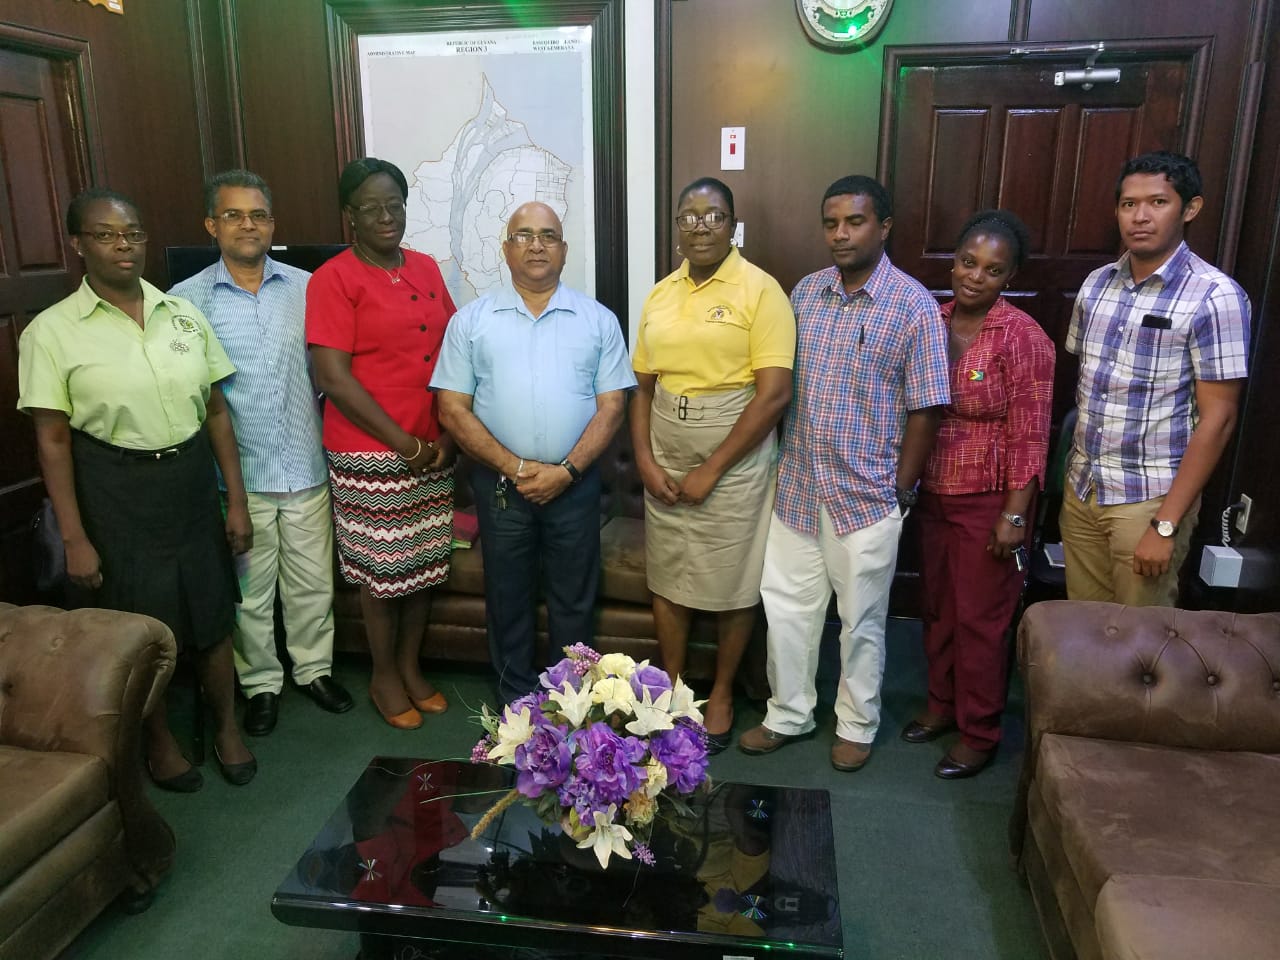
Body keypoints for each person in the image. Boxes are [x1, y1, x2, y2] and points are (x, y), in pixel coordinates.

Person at [18, 188, 257, 789]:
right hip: (114, 489)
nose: (123, 244)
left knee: (211, 614)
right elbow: (51, 440)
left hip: (189, 483)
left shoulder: (181, 313)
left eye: (133, 233)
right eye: (105, 234)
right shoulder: (52, 332)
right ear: (78, 244)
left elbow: (217, 412)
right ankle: (160, 740)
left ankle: (227, 727)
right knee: (135, 624)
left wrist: (237, 500)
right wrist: (74, 536)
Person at [737, 175, 950, 772]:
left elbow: (927, 407)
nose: (841, 234)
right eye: (831, 223)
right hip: (799, 488)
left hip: (867, 496)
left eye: (854, 222)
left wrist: (899, 490)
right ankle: (788, 713)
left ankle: (856, 723)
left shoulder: (912, 307)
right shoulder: (805, 294)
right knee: (786, 609)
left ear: (884, 226)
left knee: (860, 622)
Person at [170, 169, 353, 737]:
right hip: (239, 480)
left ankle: (314, 671)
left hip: (305, 465)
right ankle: (262, 686)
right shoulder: (186, 300)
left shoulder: (309, 287)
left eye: (258, 215)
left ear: (272, 225)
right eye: (233, 214)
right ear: (211, 225)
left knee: (312, 585)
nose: (247, 225)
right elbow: (197, 394)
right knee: (249, 595)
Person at [432, 202, 636, 705]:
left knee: (573, 600)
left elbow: (613, 407)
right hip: (502, 487)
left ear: (564, 251)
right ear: (506, 250)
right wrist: (518, 468)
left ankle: (571, 706)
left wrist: (565, 471)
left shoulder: (597, 320)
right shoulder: (470, 321)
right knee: (508, 598)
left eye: (548, 235)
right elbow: (452, 410)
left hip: (576, 485)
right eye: (523, 235)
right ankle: (516, 708)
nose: (537, 244)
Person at [630, 177, 794, 753]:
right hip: (667, 451)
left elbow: (773, 394)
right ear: (676, 227)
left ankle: (721, 692)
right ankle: (673, 691)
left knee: (733, 580)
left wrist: (712, 469)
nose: (700, 226)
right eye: (689, 216)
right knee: (668, 576)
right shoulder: (660, 294)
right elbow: (642, 390)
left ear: (733, 225)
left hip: (736, 458)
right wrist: (644, 460)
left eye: (714, 216)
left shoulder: (761, 290)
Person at [1060, 151, 1250, 606]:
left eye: (1157, 202)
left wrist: (1166, 525)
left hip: (1148, 501)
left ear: (1190, 208)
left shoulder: (1214, 295)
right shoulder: (1096, 284)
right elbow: (1087, 384)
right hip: (1084, 490)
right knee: (1084, 636)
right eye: (1128, 204)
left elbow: (1219, 419)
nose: (1140, 216)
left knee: (1142, 651)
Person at [306, 158, 456, 730]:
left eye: (395, 203)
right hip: (371, 450)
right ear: (350, 216)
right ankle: (384, 676)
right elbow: (333, 377)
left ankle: (413, 669)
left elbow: (452, 353)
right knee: (384, 570)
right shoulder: (334, 278)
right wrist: (402, 442)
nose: (387, 216)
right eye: (372, 207)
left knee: (423, 564)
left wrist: (445, 433)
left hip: (432, 443)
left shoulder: (425, 268)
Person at [904, 210, 1054, 779]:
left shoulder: (1023, 337)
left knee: (980, 620)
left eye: (993, 270)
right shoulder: (929, 317)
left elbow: (1032, 431)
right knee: (937, 607)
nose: (975, 277)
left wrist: (1015, 513)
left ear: (1009, 277)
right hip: (933, 491)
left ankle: (981, 730)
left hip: (991, 499)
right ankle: (941, 707)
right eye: (968, 262)